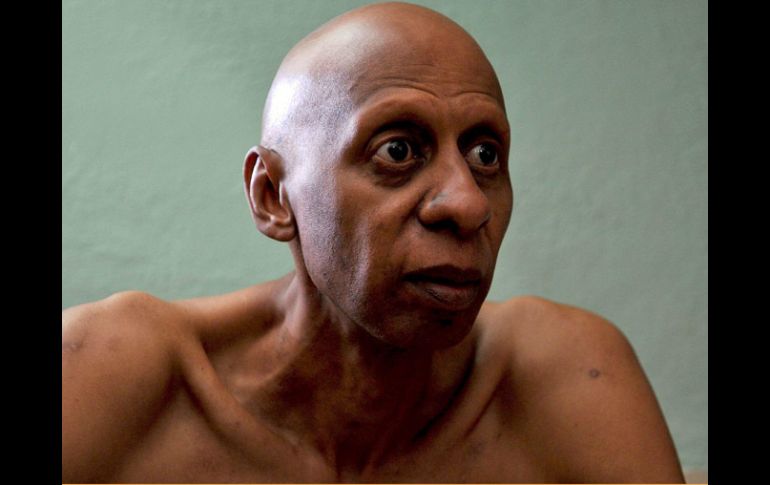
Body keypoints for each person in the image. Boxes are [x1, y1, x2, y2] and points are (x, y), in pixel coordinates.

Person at [62, 2, 685, 483]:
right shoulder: (111, 376)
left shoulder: (558, 381)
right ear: (273, 196)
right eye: (398, 150)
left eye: (485, 155)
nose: (468, 204)